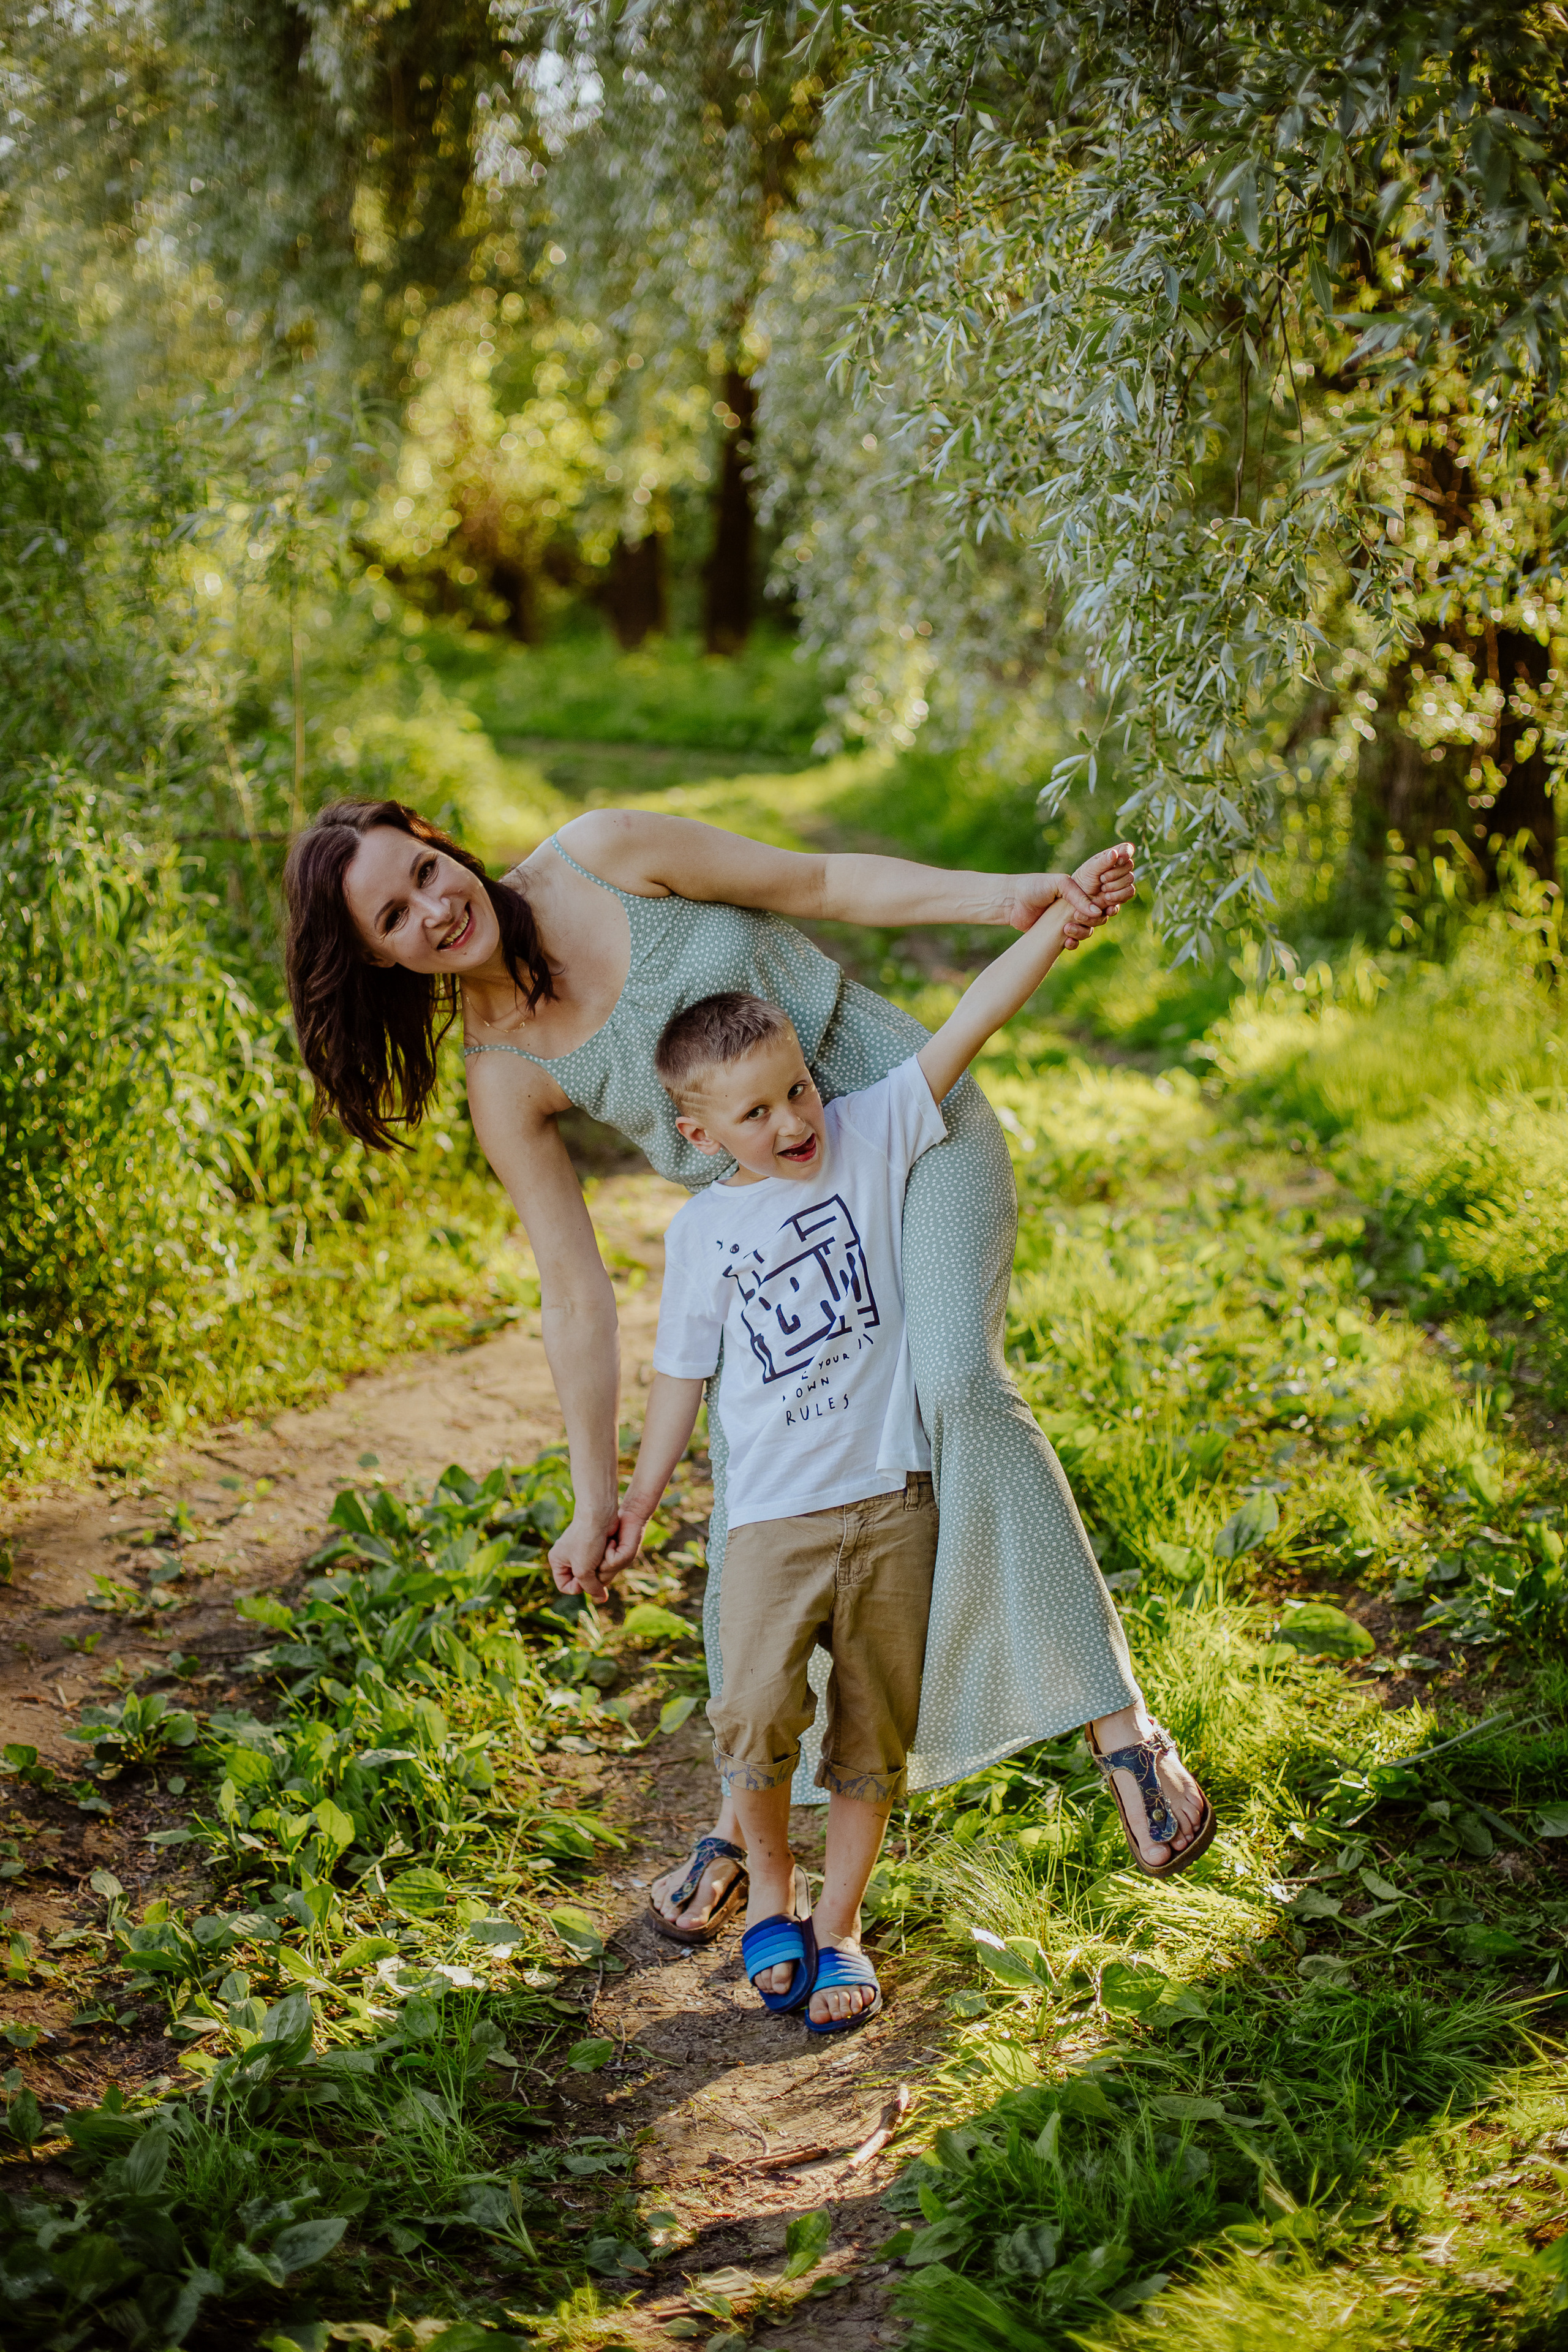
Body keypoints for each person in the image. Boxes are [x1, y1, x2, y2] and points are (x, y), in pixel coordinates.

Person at [283, 801, 1211, 1990]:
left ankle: (1118, 1732)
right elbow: (572, 1296)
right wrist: (594, 1499)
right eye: (394, 915)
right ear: (375, 956)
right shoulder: (503, 1072)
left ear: (442, 842)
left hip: (899, 1125)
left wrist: (1005, 898)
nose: (433, 906)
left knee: (953, 1385)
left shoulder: (604, 855)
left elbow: (816, 877)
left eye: (424, 869)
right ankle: (741, 1821)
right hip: (779, 1244)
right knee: (758, 1503)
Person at [589, 870, 1215, 2031]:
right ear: (698, 1134)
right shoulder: (703, 1233)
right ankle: (768, 1883)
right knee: (759, 1714)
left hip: (889, 1504)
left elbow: (974, 1015)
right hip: (773, 1522)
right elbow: (676, 1379)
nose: (792, 1123)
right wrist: (635, 1499)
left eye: (798, 1092)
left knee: (871, 1734)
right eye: (757, 1114)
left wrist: (1057, 928)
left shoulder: (871, 1131)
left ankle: (840, 1925)